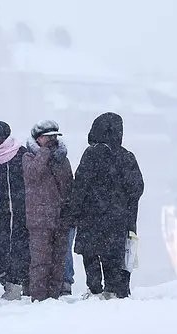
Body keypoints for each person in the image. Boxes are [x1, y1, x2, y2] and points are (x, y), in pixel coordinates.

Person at [72, 112, 144, 299]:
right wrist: (122, 204)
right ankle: (114, 289)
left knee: (90, 253)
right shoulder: (127, 156)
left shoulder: (91, 154)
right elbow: (137, 187)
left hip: (91, 216)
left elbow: (80, 185)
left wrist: (74, 211)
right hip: (119, 218)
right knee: (114, 254)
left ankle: (95, 289)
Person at [22, 120, 73, 302]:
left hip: (60, 218)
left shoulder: (62, 159)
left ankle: (54, 297)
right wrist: (43, 152)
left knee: (58, 260)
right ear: (37, 138)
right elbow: (33, 174)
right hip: (39, 220)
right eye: (47, 137)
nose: (52, 140)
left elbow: (69, 185)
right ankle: (39, 298)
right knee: (40, 261)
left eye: (54, 137)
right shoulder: (28, 157)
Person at [0, 121, 30, 300]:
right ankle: (6, 281)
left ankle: (19, 283)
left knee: (21, 246)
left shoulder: (21, 153)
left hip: (20, 209)